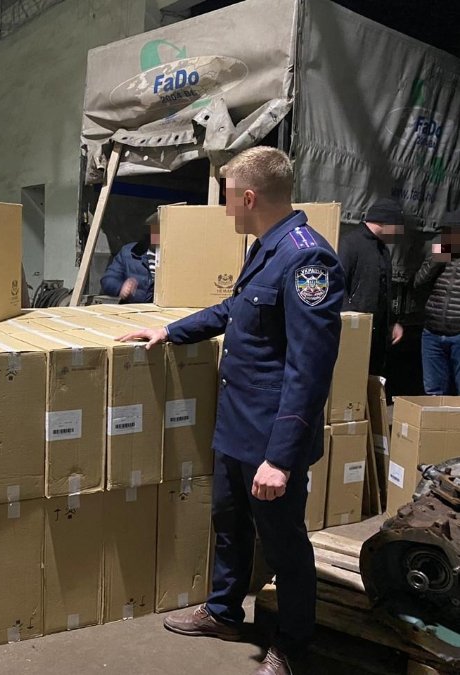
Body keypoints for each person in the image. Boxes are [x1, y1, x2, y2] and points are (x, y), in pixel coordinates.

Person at [118, 147, 344, 675]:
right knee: (229, 524)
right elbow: (234, 310)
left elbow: (310, 371)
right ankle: (223, 612)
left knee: (284, 545)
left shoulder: (308, 259)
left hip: (270, 439)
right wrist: (170, 330)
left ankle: (292, 645)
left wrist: (281, 460)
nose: (224, 209)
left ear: (249, 197)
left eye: (228, 197)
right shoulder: (267, 248)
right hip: (237, 425)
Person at [339, 198, 405, 375]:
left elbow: (385, 290)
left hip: (376, 335)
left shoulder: (383, 249)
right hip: (355, 333)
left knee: (372, 378)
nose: (399, 233)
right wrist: (351, 322)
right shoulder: (350, 244)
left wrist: (392, 322)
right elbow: (337, 285)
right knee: (353, 378)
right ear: (386, 222)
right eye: (398, 226)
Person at [415, 210, 460, 395]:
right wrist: (436, 260)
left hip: (458, 334)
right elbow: (418, 282)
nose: (446, 238)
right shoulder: (439, 254)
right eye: (445, 233)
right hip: (432, 332)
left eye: (451, 233)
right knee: (433, 391)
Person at [100, 212, 158, 303]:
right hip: (133, 308)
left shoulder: (175, 257)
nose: (158, 234)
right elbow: (108, 279)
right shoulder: (129, 252)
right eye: (156, 230)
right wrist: (121, 288)